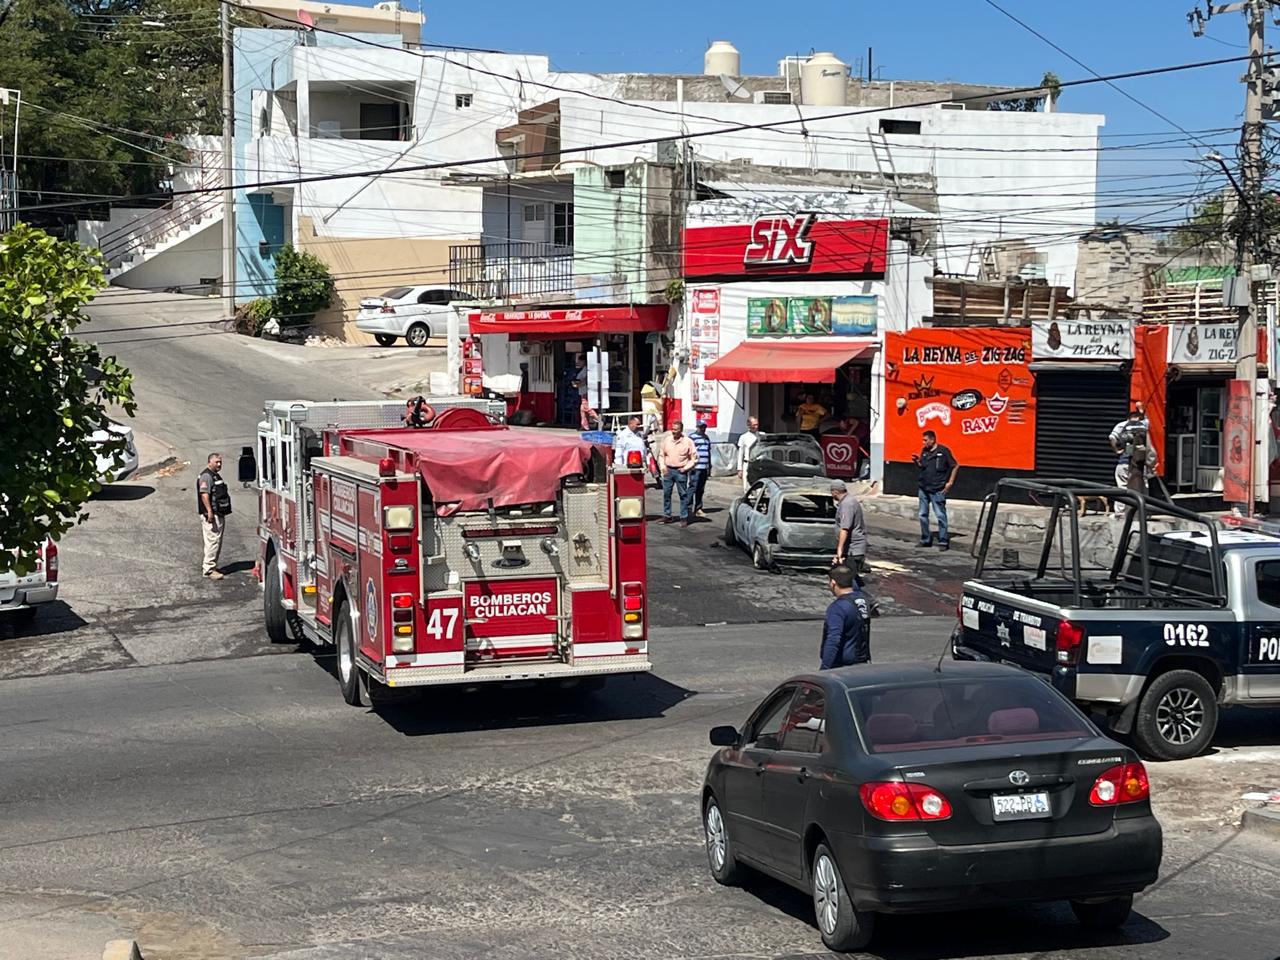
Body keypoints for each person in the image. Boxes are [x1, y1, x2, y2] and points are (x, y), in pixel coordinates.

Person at [912, 429, 958, 550]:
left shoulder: (943, 451)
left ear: (932, 440)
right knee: (922, 514)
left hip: (937, 489)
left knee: (940, 515)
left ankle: (943, 540)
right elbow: (923, 466)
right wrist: (917, 461)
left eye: (925, 440)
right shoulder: (924, 452)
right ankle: (925, 539)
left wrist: (950, 482)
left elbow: (955, 465)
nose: (923, 443)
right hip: (923, 488)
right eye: (923, 440)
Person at [819, 565, 871, 670]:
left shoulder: (837, 608)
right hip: (862, 662)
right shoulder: (862, 601)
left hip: (842, 667)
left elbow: (833, 640)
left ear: (833, 583)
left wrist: (824, 668)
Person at [1109, 404, 1157, 511]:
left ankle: (1120, 512)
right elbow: (1146, 419)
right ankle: (1142, 511)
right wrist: (1141, 409)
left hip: (1124, 462)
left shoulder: (1122, 425)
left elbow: (1112, 437)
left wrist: (1117, 451)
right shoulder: (1142, 425)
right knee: (1143, 487)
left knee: (1122, 487)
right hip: (1140, 464)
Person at [197, 452, 231, 579]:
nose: (219, 464)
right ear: (210, 462)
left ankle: (212, 566)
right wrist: (209, 512)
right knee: (212, 541)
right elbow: (204, 494)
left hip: (219, 513)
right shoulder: (206, 476)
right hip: (212, 515)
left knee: (216, 541)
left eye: (220, 462)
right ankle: (209, 569)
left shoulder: (215, 475)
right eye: (216, 462)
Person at [659, 420, 698, 526]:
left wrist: (686, 468)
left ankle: (684, 517)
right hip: (668, 470)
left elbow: (694, 458)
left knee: (683, 495)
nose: (673, 431)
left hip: (681, 471)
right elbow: (662, 455)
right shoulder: (667, 440)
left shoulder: (688, 442)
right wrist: (663, 467)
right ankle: (667, 516)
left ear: (681, 430)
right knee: (667, 494)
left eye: (676, 430)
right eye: (672, 429)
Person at [830, 481, 867, 575]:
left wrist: (839, 550)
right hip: (852, 549)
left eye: (831, 492)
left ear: (835, 492)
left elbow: (845, 529)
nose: (831, 495)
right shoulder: (848, 501)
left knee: (848, 578)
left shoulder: (847, 504)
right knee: (850, 578)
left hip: (853, 550)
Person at [690, 421, 712, 517]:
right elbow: (689, 451)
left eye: (704, 427)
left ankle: (698, 508)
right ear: (697, 427)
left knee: (701, 489)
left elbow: (708, 451)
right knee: (692, 487)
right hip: (696, 467)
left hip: (704, 467)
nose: (703, 429)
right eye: (701, 427)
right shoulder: (692, 437)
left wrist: (709, 465)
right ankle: (688, 508)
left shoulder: (706, 438)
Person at [737, 416, 761, 492]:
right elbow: (740, 453)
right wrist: (739, 469)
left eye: (757, 424)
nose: (756, 427)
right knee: (747, 487)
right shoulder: (743, 437)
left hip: (759, 464)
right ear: (749, 425)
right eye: (754, 425)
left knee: (759, 487)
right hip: (747, 464)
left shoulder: (761, 436)